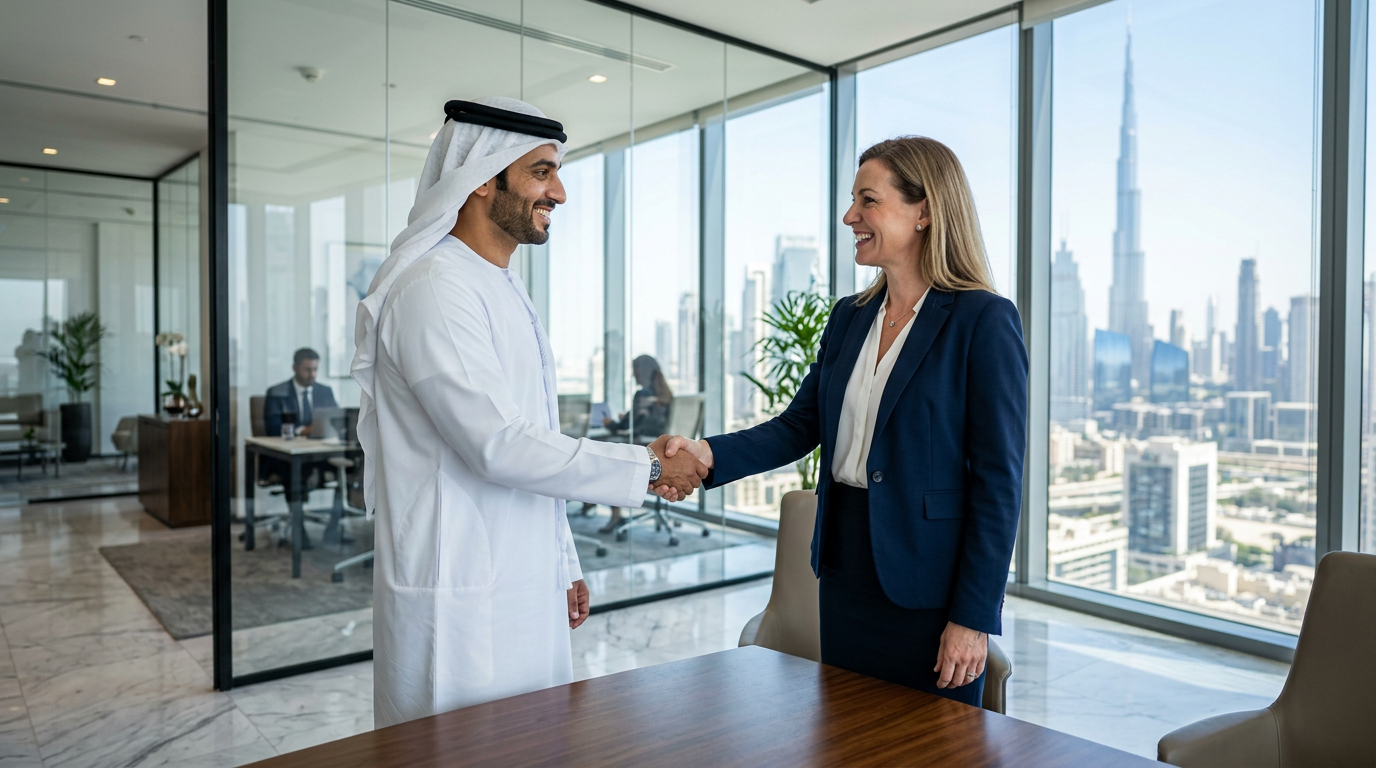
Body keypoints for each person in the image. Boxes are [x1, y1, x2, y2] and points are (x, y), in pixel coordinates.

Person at [351, 97, 708, 727]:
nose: (560, 192)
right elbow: (496, 443)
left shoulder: (500, 285)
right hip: (457, 589)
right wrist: (648, 468)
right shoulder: (435, 287)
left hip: (522, 581)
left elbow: (536, 438)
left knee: (531, 743)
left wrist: (563, 560)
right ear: (483, 178)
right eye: (542, 172)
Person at [660, 136, 1027, 706]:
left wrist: (972, 618)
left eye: (867, 200)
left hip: (928, 584)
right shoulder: (850, 318)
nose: (849, 215)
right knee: (846, 738)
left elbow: (998, 484)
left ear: (925, 210)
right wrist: (707, 455)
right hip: (846, 567)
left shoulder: (983, 320)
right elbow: (800, 423)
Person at [600, 354, 673, 532]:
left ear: (642, 372)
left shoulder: (643, 393)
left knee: (607, 456)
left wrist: (611, 424)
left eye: (634, 371)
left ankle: (615, 515)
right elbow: (646, 420)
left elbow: (627, 426)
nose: (633, 375)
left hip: (645, 449)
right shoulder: (666, 394)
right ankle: (590, 504)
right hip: (662, 448)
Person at [263, 348, 338, 439]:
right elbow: (272, 428)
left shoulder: (325, 391)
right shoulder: (277, 392)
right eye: (307, 370)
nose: (312, 374)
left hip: (318, 447)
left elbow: (336, 421)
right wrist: (302, 431)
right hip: (287, 447)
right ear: (295, 368)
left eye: (315, 369)